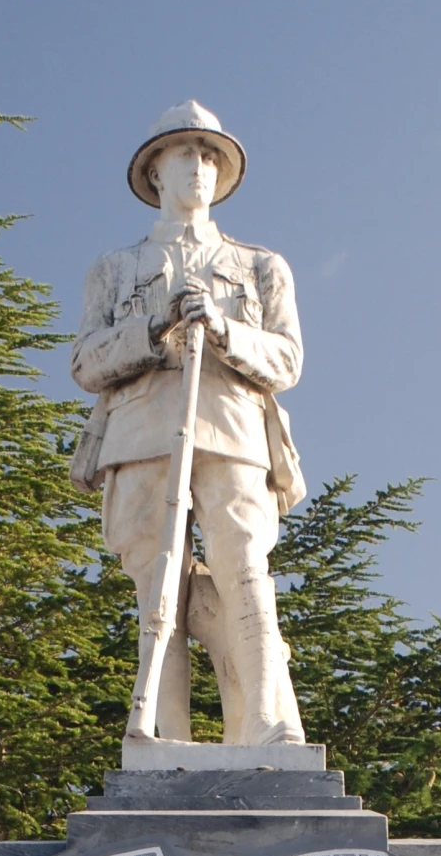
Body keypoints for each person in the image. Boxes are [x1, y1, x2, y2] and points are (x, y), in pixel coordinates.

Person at [70, 101, 308, 746]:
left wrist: (225, 328)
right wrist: (152, 328)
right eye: (186, 154)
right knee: (159, 583)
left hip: (234, 429)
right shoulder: (115, 268)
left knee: (245, 570)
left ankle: (265, 722)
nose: (199, 168)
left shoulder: (261, 265)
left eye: (211, 156)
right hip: (141, 432)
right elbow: (86, 362)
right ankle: (162, 731)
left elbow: (286, 360)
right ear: (155, 170)